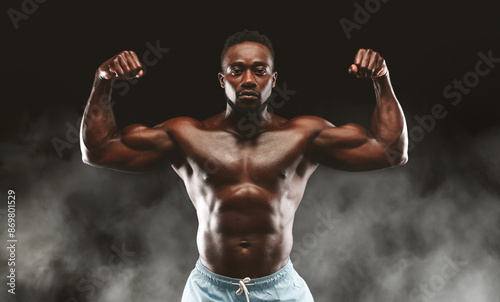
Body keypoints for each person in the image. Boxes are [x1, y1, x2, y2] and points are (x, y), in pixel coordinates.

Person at [80, 30, 408, 301]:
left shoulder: (303, 135)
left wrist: (382, 78)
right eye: (236, 71)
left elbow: (391, 150)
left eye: (259, 70)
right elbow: (99, 150)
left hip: (280, 291)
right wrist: (103, 79)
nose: (248, 79)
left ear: (273, 79)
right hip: (209, 292)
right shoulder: (188, 135)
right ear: (222, 80)